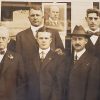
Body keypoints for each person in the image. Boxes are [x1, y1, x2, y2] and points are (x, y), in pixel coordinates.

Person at [32, 26, 66, 100]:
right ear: (37, 39)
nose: (43, 41)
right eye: (41, 38)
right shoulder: (30, 58)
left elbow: (58, 84)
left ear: (50, 40)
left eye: (46, 38)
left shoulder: (59, 59)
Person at [67, 25, 100, 100]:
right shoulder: (66, 60)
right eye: (74, 39)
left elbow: (93, 90)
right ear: (71, 41)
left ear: (86, 41)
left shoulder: (94, 61)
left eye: (80, 39)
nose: (77, 42)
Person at [0, 26, 26, 100]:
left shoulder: (17, 58)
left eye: (3, 38)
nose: (0, 40)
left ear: (8, 40)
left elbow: (22, 82)